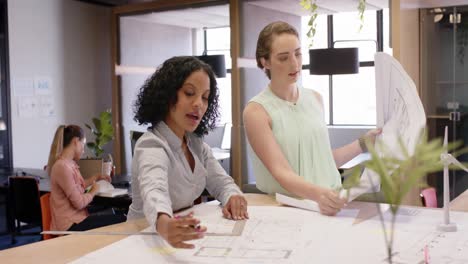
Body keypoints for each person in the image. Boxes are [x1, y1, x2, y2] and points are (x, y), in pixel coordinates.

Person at [243, 21, 381, 216]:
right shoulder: (256, 111)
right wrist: (319, 195)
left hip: (326, 204)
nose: (295, 64)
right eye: (283, 58)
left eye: (298, 54)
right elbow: (281, 172)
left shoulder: (316, 99)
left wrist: (363, 143)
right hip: (285, 210)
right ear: (265, 62)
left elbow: (323, 161)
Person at [127, 56, 248, 249]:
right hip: (142, 240)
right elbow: (154, 191)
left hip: (181, 237)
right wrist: (164, 223)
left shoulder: (196, 144)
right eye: (190, 93)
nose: (199, 104)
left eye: (205, 97)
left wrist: (233, 197)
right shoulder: (151, 145)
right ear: (167, 95)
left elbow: (222, 183)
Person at [47, 125, 126, 231]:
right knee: (121, 219)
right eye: (83, 144)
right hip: (69, 225)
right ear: (75, 141)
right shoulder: (62, 167)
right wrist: (93, 191)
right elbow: (79, 203)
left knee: (115, 215)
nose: (83, 150)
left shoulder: (69, 164)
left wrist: (96, 177)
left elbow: (77, 186)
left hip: (78, 219)